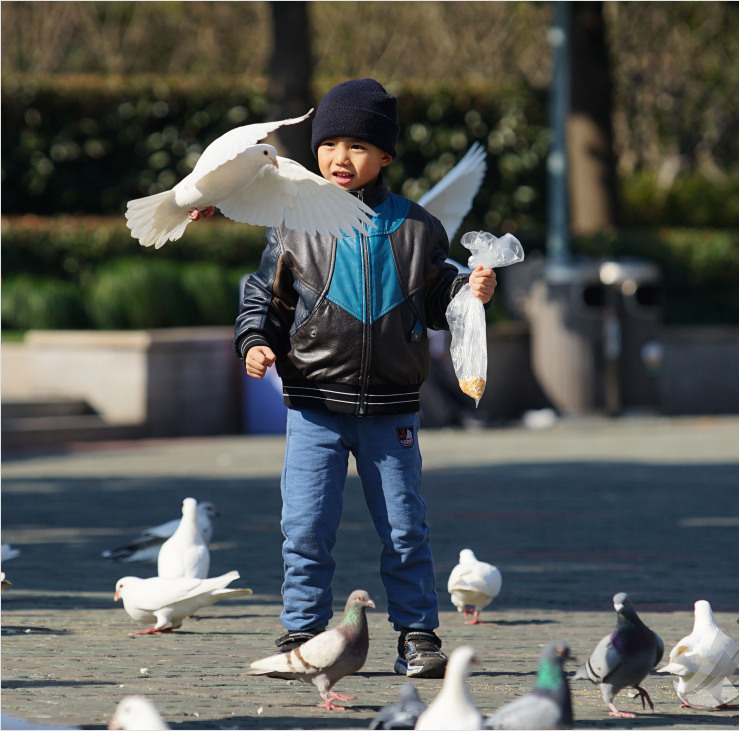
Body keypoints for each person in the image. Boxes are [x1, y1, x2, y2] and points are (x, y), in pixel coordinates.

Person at [234, 78, 497, 679]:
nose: (339, 159)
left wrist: (470, 292)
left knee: (405, 530)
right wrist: (254, 342)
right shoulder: (293, 221)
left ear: (384, 156)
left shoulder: (417, 226)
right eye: (329, 145)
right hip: (312, 407)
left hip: (392, 412)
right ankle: (301, 631)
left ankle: (418, 636)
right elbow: (264, 298)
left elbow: (438, 301)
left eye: (357, 146)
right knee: (304, 527)